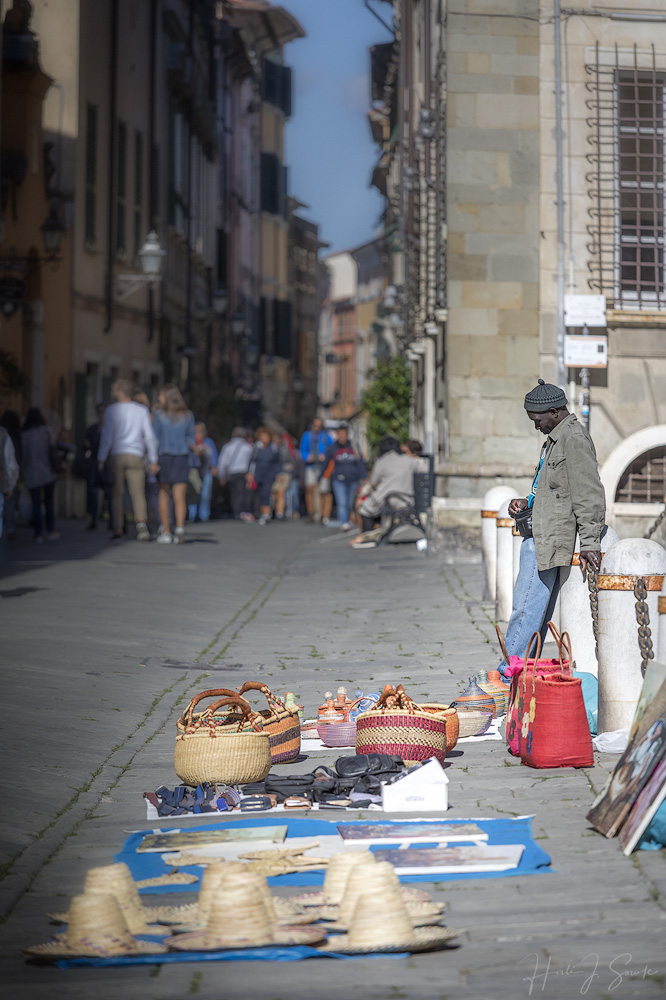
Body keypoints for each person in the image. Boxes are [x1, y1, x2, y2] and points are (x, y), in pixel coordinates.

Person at [497, 378, 606, 675]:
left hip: (548, 541)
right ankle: (521, 672)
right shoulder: (555, 438)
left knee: (525, 611)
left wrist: (591, 543)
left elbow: (589, 494)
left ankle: (507, 675)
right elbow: (556, 489)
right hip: (541, 532)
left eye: (537, 419)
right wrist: (528, 500)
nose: (535, 426)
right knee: (533, 613)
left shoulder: (573, 439)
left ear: (556, 411)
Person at [97, 379, 158, 541]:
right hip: (135, 454)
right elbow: (149, 436)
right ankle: (141, 523)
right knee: (137, 492)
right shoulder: (141, 410)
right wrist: (153, 459)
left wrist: (101, 458)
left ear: (120, 392)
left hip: (117, 454)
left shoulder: (111, 410)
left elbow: (107, 437)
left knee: (117, 493)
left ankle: (118, 527)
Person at [351, 435, 416, 548]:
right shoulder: (409, 461)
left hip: (389, 500)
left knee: (364, 507)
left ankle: (368, 535)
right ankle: (375, 530)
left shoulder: (383, 461)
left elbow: (373, 483)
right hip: (408, 500)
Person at [152, 384, 195, 544]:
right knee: (179, 496)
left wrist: (152, 461)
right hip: (181, 457)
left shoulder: (159, 415)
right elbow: (191, 439)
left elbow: (154, 439)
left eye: (161, 395)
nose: (159, 398)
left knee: (163, 494)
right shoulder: (187, 415)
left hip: (164, 456)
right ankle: (180, 528)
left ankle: (166, 531)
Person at [21, 407, 59, 543]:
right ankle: (51, 530)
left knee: (36, 504)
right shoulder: (47, 431)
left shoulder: (25, 435)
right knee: (49, 502)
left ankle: (38, 533)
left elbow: (24, 456)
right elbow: (53, 447)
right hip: (48, 472)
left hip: (32, 473)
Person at [320, 424, 366, 532]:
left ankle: (347, 519)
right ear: (337, 435)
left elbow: (360, 462)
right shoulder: (333, 448)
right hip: (338, 480)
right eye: (340, 434)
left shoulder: (354, 445)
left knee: (349, 503)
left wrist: (363, 476)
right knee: (342, 502)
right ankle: (344, 523)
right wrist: (321, 477)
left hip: (353, 479)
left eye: (344, 434)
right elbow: (326, 463)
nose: (342, 436)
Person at [299, 416, 332, 522]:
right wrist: (307, 457)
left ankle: (322, 513)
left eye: (319, 425)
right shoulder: (307, 435)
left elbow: (332, 450)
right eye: (315, 425)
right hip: (311, 466)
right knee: (309, 488)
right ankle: (311, 511)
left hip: (322, 467)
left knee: (322, 490)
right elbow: (302, 450)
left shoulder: (326, 437)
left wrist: (325, 456)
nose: (317, 427)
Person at [247, 426, 281, 525]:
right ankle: (261, 512)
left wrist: (280, 473)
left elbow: (278, 461)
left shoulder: (273, 447)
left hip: (269, 474)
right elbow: (252, 461)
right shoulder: (257, 447)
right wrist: (249, 473)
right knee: (260, 494)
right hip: (258, 474)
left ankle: (266, 514)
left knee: (267, 493)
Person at [218, 427, 253, 520]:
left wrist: (221, 475)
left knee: (234, 493)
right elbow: (252, 462)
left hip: (232, 473)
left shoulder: (227, 446)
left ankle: (236, 512)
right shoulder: (248, 447)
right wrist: (251, 473)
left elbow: (222, 462)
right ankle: (241, 511)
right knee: (242, 492)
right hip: (243, 472)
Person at [84, 404, 108, 530]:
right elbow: (86, 446)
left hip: (107, 464)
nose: (101, 415)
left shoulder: (111, 428)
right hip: (94, 463)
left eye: (103, 412)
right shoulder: (92, 429)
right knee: (92, 491)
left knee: (110, 492)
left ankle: (114, 521)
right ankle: (93, 518)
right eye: (99, 412)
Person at [188, 422, 217, 522]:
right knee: (194, 492)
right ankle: (192, 515)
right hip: (194, 471)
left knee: (205, 494)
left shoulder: (208, 442)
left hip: (206, 471)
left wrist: (214, 467)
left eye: (200, 431)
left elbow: (214, 456)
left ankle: (204, 515)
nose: (198, 433)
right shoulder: (191, 442)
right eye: (196, 431)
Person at [0, 410, 22, 540]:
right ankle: (10, 527)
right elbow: (10, 462)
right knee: (9, 504)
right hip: (2, 482)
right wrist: (10, 484)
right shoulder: (3, 434)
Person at [271, 432, 296, 520]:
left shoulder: (285, 449)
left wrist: (282, 472)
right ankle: (272, 511)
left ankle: (280, 513)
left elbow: (289, 462)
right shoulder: (271, 448)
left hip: (283, 473)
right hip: (272, 474)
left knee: (281, 493)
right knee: (273, 494)